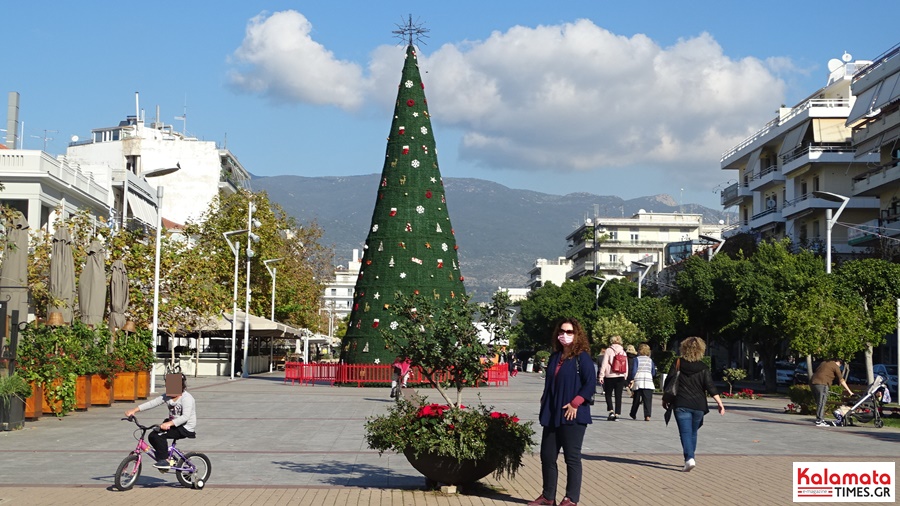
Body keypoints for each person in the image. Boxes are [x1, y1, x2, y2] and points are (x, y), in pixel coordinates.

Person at [529, 318, 595, 506]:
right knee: (547, 456)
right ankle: (548, 496)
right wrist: (544, 399)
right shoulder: (555, 357)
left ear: (577, 335)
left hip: (572, 414)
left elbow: (590, 383)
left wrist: (576, 403)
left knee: (572, 457)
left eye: (569, 332)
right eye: (562, 331)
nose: (565, 335)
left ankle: (571, 498)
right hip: (552, 414)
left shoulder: (582, 358)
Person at [662, 336, 725, 472]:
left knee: (685, 432)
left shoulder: (677, 363)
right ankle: (691, 458)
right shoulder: (703, 367)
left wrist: (665, 399)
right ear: (701, 350)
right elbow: (710, 386)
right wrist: (720, 403)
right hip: (699, 405)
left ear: (683, 349)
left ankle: (689, 458)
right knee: (693, 433)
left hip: (681, 403)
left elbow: (669, 382)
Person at [124, 373, 197, 469]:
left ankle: (165, 461)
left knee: (159, 436)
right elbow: (152, 403)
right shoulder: (168, 396)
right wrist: (134, 410)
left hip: (185, 427)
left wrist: (169, 423)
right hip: (173, 423)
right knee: (152, 435)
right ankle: (166, 457)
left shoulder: (187, 398)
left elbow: (185, 417)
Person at [810, 358, 853, 427]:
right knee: (822, 402)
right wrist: (850, 391)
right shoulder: (835, 366)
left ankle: (819, 419)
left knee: (819, 402)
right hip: (822, 383)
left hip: (813, 383)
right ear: (839, 362)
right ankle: (819, 421)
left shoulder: (824, 362)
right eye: (840, 365)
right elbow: (841, 380)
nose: (839, 367)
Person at [598, 336, 628, 421]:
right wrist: (625, 375)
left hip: (610, 375)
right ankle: (617, 414)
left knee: (608, 394)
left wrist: (601, 375)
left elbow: (604, 363)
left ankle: (611, 411)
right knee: (618, 396)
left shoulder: (609, 350)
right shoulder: (623, 351)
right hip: (620, 376)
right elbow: (626, 364)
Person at [627, 343, 657, 421]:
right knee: (647, 400)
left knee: (636, 399)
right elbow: (653, 372)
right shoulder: (650, 360)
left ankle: (633, 413)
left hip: (638, 381)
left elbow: (634, 370)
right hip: (648, 381)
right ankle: (647, 415)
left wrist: (632, 378)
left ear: (639, 350)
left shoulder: (636, 359)